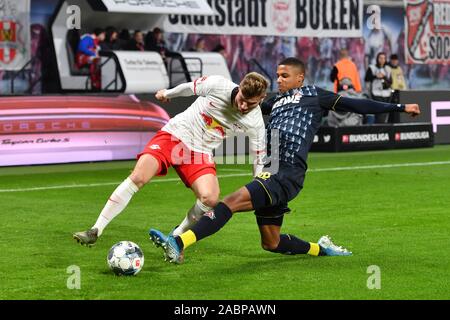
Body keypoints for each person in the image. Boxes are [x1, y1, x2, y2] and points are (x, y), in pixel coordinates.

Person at [150, 57, 421, 264]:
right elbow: (241, 101)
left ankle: (179, 242)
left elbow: (356, 104)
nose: (278, 79)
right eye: (277, 75)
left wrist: (399, 107)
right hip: (273, 170)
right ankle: (321, 249)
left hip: (285, 171)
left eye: (284, 76)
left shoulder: (315, 96)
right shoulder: (274, 103)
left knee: (229, 203)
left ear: (300, 78)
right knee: (271, 243)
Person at [73, 72, 268, 246]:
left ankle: (174, 238)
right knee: (139, 176)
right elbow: (189, 88)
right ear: (239, 88)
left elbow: (258, 158)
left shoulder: (256, 122)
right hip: (174, 136)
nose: (243, 106)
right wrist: (167, 94)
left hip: (200, 153)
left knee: (210, 198)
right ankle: (95, 229)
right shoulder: (218, 85)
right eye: (242, 98)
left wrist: (258, 188)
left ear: (261, 98)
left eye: (250, 104)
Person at [364, 52, 393, 123]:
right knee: (379, 112)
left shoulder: (388, 69)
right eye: (380, 58)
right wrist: (376, 76)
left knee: (385, 112)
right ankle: (378, 127)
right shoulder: (372, 67)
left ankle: (382, 127)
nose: (382, 60)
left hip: (386, 93)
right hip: (376, 93)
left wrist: (384, 77)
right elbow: (367, 78)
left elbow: (390, 81)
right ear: (377, 59)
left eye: (384, 58)